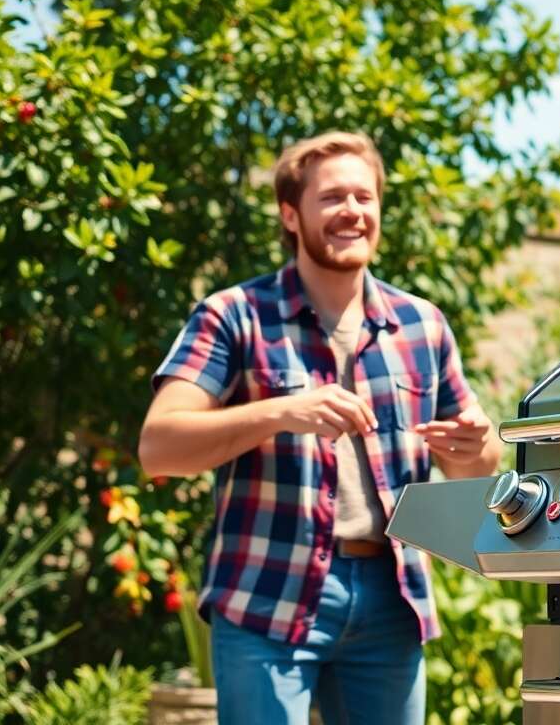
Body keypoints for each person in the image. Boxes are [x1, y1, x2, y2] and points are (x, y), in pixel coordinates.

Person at [138, 131, 502, 725]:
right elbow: (159, 447)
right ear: (291, 213)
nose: (352, 211)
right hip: (265, 591)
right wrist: (281, 412)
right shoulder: (234, 316)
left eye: (365, 196)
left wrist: (475, 445)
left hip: (392, 598)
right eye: (332, 197)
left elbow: (473, 468)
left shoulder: (423, 326)